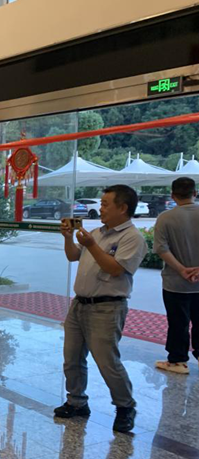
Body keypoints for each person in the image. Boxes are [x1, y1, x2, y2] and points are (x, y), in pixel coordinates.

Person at [55, 185, 147, 433]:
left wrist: (92, 245)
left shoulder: (132, 238)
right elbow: (73, 256)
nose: (101, 208)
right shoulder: (96, 232)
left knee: (107, 362)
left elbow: (115, 269)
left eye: (106, 204)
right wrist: (68, 238)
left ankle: (125, 407)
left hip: (107, 308)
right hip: (79, 304)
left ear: (123, 208)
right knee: (72, 358)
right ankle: (76, 402)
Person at [154, 176, 199, 374]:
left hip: (175, 283)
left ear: (173, 195)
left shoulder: (165, 218)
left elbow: (161, 248)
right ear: (195, 193)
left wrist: (181, 269)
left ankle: (178, 361)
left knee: (178, 322)